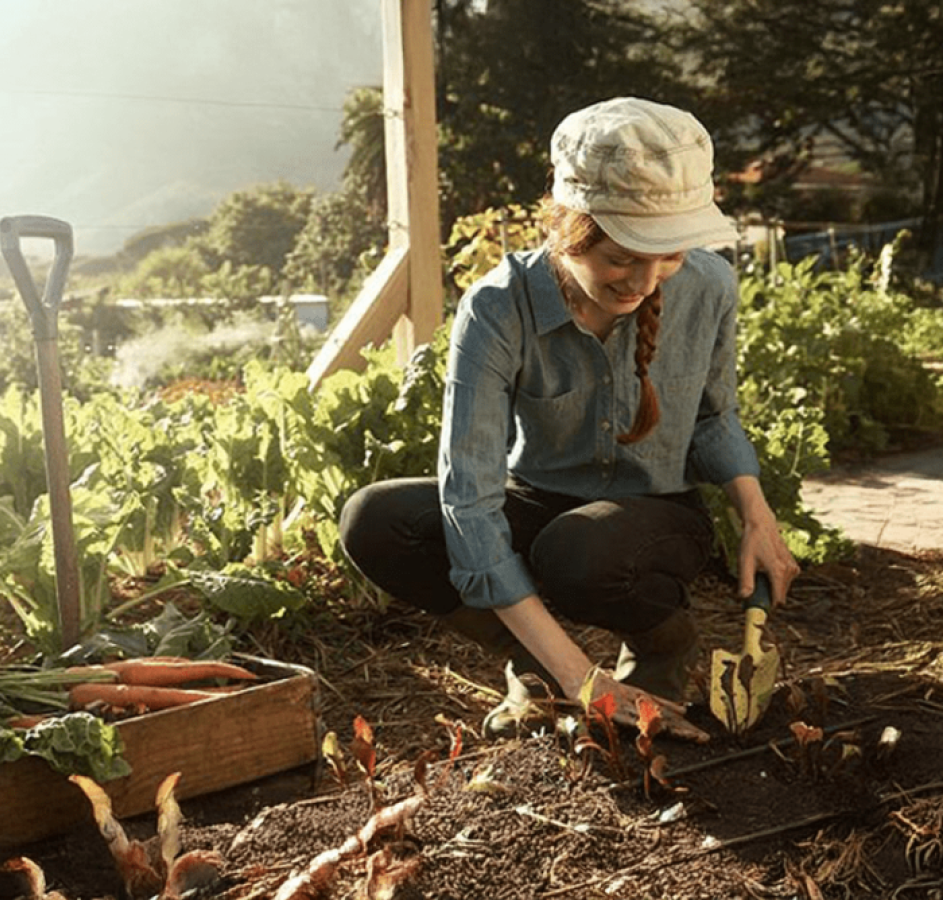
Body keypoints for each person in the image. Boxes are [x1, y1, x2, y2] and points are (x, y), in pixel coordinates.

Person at [338, 97, 800, 742]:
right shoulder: (499, 307)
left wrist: (756, 515)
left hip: (654, 513)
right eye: (620, 257)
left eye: (667, 255)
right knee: (377, 519)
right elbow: (468, 498)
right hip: (538, 497)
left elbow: (714, 418)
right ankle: (545, 671)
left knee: (582, 551)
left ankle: (662, 648)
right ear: (566, 229)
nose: (646, 279)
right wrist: (582, 678)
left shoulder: (709, 285)